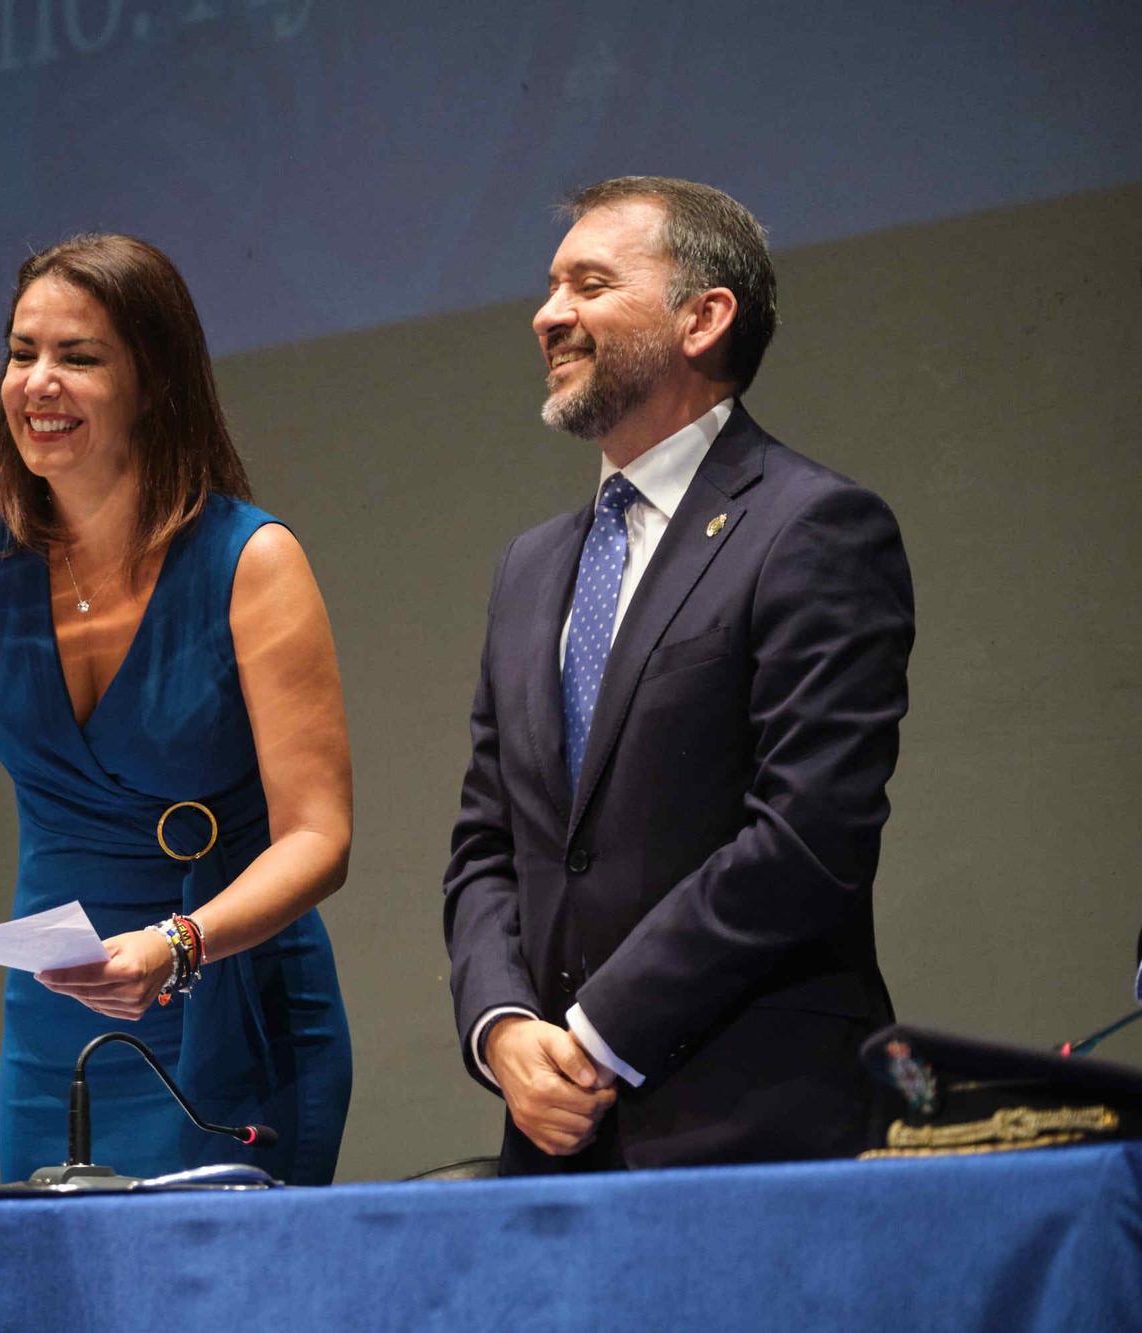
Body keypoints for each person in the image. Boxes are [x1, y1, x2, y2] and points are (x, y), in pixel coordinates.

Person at [441, 177, 914, 1174]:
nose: (547, 313)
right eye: (548, 284)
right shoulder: (528, 567)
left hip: (756, 1128)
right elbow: (488, 842)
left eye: (589, 282)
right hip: (555, 1137)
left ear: (700, 317)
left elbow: (807, 835)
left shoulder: (810, 527)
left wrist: (597, 1030)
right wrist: (501, 1027)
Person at [0, 234, 353, 1183]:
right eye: (20, 353)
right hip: (62, 1012)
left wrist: (179, 943)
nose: (38, 383)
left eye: (77, 358)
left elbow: (319, 838)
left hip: (229, 995)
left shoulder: (251, 561)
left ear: (154, 383)